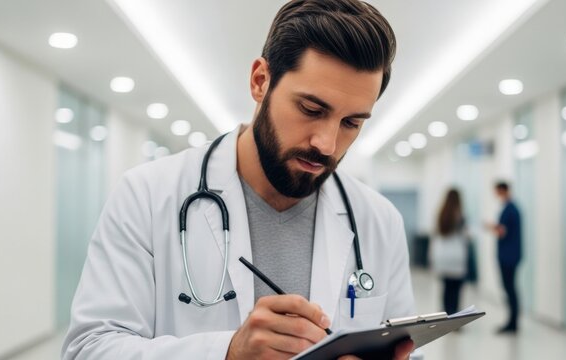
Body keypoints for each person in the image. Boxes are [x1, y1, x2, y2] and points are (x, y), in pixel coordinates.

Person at [62, 1, 417, 359]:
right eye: (311, 110)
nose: (326, 143)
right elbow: (89, 349)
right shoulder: (147, 196)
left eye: (351, 123)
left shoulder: (379, 220)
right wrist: (227, 353)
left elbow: (404, 347)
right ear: (260, 81)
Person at [487, 181, 522, 334]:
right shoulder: (512, 209)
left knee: (510, 289)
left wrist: (490, 227)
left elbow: (502, 231)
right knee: (510, 288)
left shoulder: (510, 210)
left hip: (509, 256)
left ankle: (512, 323)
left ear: (502, 190)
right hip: (510, 255)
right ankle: (512, 321)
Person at [430, 188, 467, 315]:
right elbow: (465, 235)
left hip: (443, 257)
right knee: (456, 289)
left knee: (446, 288)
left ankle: (446, 313)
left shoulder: (441, 214)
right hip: (456, 257)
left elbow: (435, 236)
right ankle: (455, 315)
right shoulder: (460, 216)